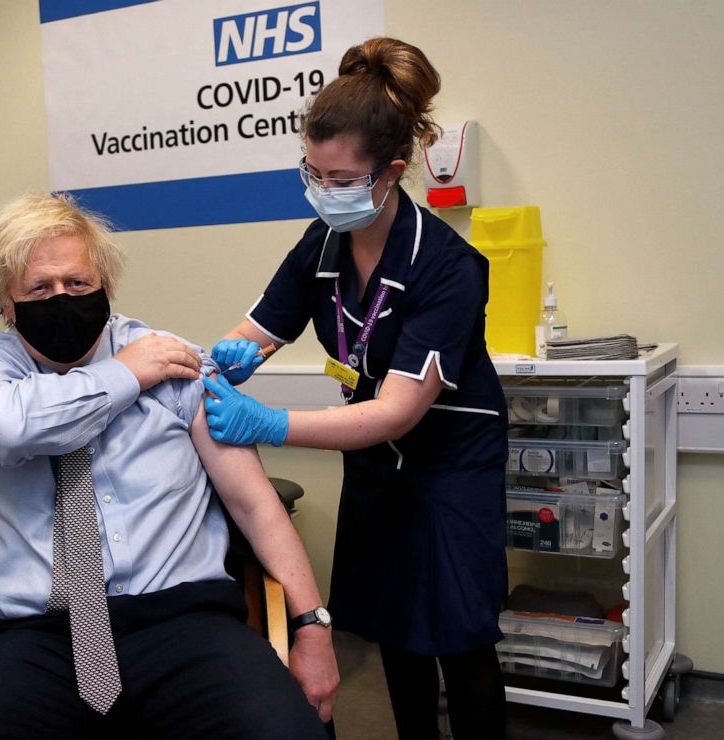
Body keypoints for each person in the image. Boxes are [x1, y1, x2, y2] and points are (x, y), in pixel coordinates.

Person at [0, 193, 339, 739]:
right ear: (6, 303)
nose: (61, 297)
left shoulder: (172, 359)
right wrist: (126, 375)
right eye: (40, 288)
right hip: (32, 639)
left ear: (106, 287)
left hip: (185, 625)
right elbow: (4, 427)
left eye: (78, 283)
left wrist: (312, 628)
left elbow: (254, 504)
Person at [202, 37, 508, 740]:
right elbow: (257, 328)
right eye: (311, 171)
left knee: (460, 640)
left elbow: (398, 411)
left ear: (391, 171)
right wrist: (227, 357)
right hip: (375, 466)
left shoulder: (448, 266)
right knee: (396, 629)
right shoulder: (320, 245)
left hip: (450, 463)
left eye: (339, 177)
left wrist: (270, 423)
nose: (321, 189)